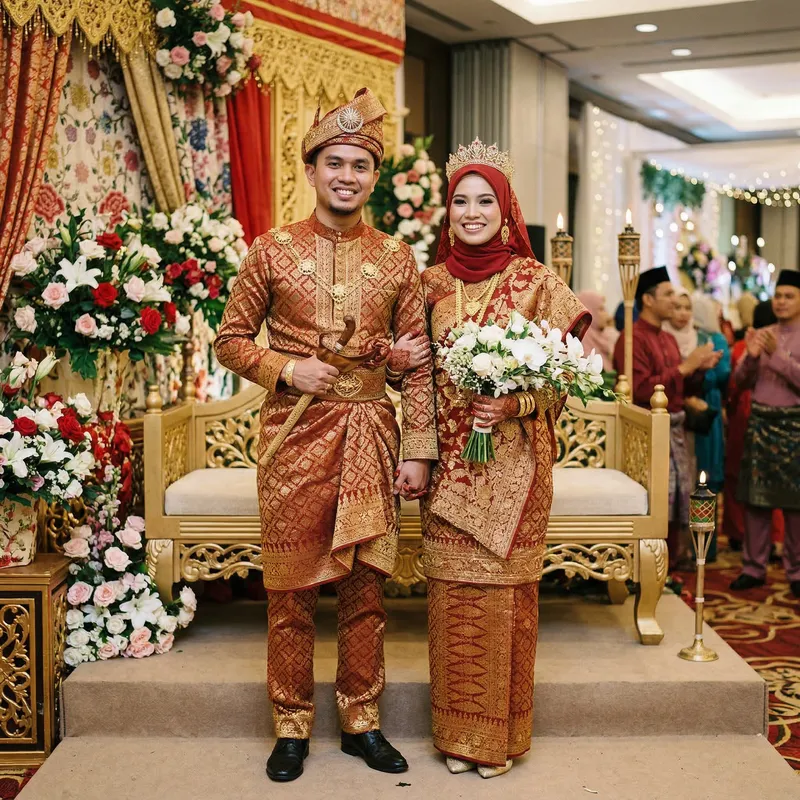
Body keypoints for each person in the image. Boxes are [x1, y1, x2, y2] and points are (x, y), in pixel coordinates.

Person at [214, 88, 438, 782]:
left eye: (360, 165)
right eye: (334, 162)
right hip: (293, 436)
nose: (347, 175)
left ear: (374, 178)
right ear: (311, 169)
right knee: (291, 589)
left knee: (368, 588)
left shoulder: (399, 258)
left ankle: (361, 719)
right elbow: (227, 342)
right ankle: (290, 723)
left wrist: (419, 451)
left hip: (371, 433)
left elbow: (420, 364)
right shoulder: (271, 250)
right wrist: (286, 368)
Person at [397, 139, 589, 778]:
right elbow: (417, 382)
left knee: (507, 601)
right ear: (445, 211)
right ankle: (457, 736)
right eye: (460, 201)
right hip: (452, 469)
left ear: (506, 210)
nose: (471, 212)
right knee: (452, 599)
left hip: (517, 469)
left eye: (485, 201)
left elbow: (568, 381)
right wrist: (417, 450)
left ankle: (500, 741)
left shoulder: (538, 285)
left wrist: (515, 406)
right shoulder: (428, 284)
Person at [612, 267, 722, 570]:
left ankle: (672, 561)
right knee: (657, 498)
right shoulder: (631, 339)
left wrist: (700, 368)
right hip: (648, 433)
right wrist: (686, 367)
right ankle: (652, 567)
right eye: (668, 294)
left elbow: (680, 388)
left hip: (675, 428)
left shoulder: (668, 339)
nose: (674, 301)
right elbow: (641, 390)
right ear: (647, 300)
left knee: (677, 494)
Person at [730, 270, 800, 597]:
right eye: (779, 295)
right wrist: (752, 357)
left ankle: (796, 571)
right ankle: (753, 568)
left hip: (793, 425)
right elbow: (741, 380)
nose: (782, 301)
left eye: (789, 296)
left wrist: (779, 356)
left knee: (795, 505)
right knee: (755, 500)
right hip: (760, 421)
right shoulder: (763, 333)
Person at [723, 301, 784, 550]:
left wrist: (731, 407)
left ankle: (739, 534)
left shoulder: (740, 347)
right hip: (774, 414)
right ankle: (775, 539)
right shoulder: (779, 344)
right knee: (776, 478)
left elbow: (735, 386)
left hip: (744, 413)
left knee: (740, 474)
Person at [578, 290, 618, 372]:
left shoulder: (606, 335)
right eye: (601, 309)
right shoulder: (580, 341)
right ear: (588, 311)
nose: (606, 314)